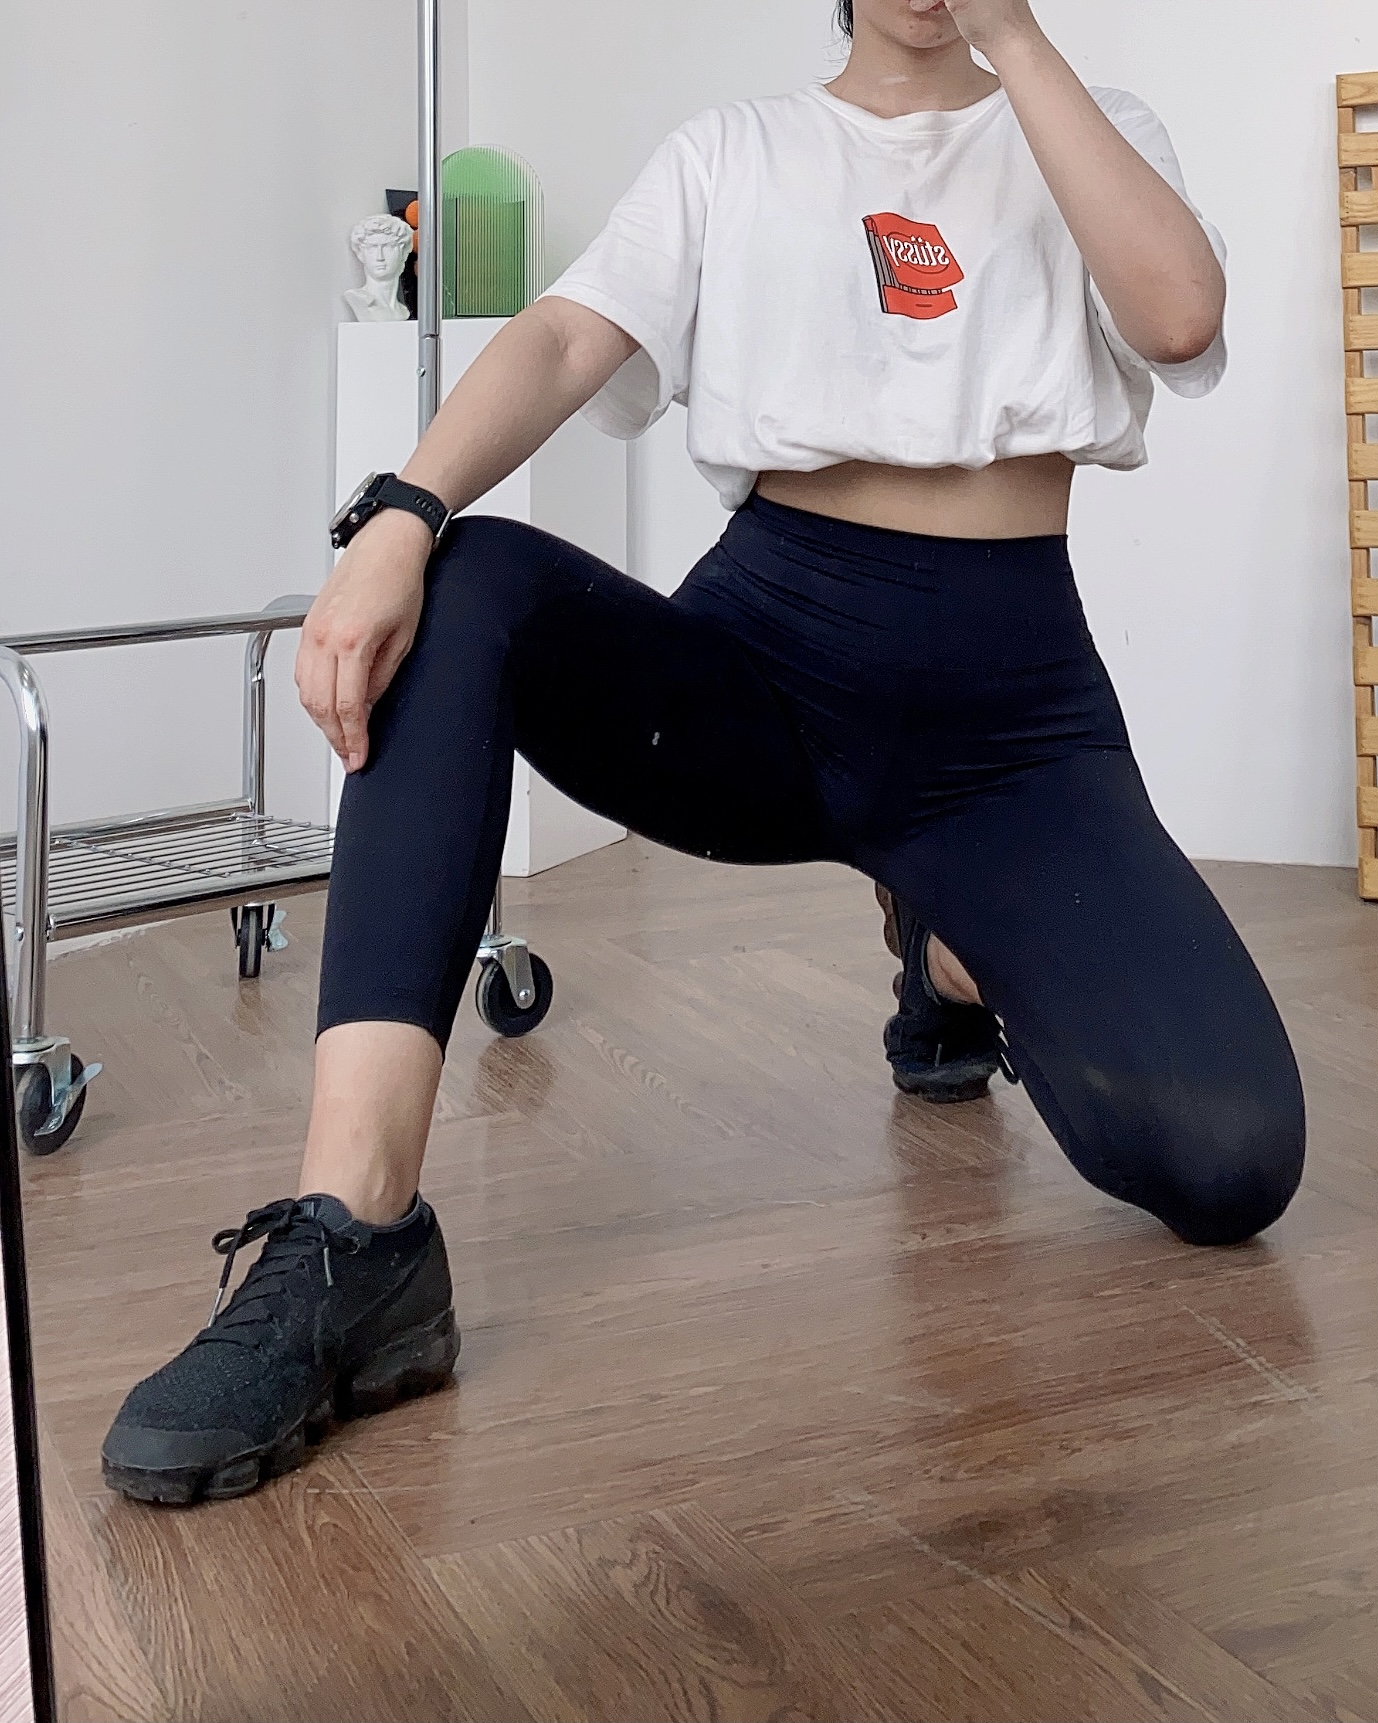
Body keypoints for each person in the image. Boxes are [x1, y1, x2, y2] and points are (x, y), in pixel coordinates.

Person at [101, 0, 1305, 1505]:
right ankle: (356, 1235)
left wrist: (1014, 32)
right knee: (460, 580)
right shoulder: (735, 152)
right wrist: (398, 515)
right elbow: (562, 337)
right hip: (764, 678)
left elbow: (1177, 316)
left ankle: (948, 955)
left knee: (1231, 1162)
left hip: (1011, 730)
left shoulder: (1088, 123)